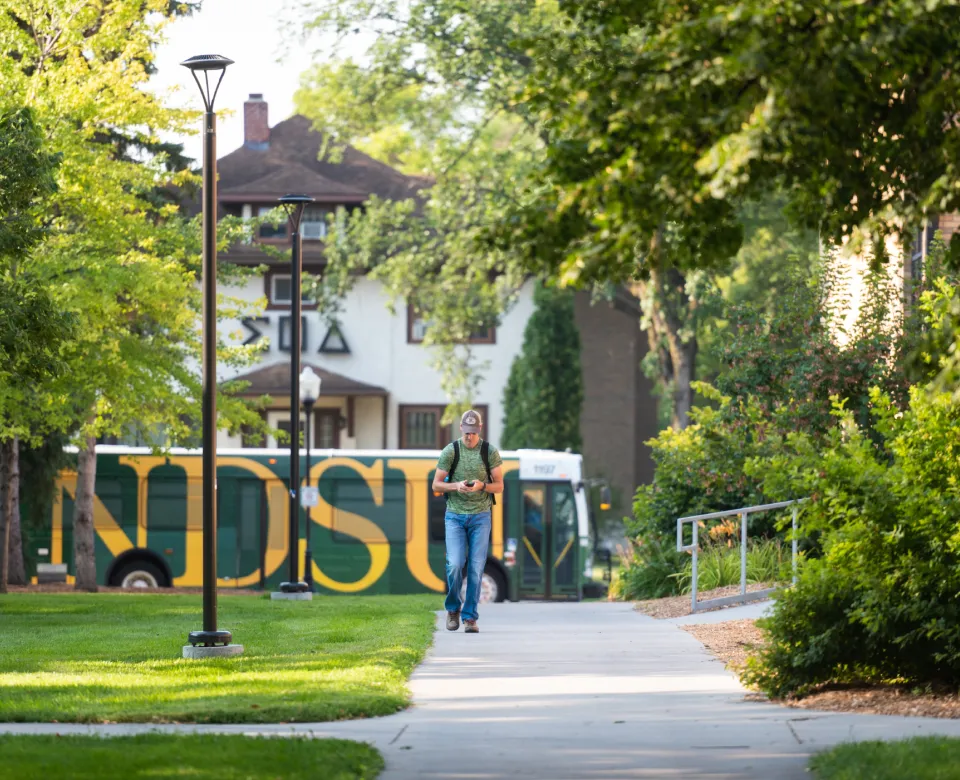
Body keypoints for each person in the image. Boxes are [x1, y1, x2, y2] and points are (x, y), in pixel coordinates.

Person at [432, 409, 504, 633]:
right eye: (467, 432)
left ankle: (470, 617)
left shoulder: (489, 452)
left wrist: (483, 486)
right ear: (461, 428)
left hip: (481, 516)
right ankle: (453, 608)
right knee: (454, 565)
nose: (470, 437)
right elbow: (436, 485)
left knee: (475, 567)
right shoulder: (450, 451)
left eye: (474, 432)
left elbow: (499, 486)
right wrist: (455, 485)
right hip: (454, 516)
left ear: (479, 430)